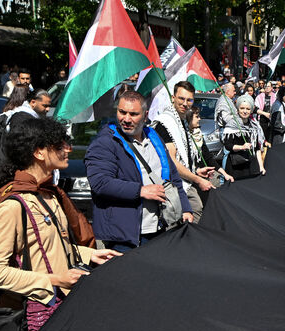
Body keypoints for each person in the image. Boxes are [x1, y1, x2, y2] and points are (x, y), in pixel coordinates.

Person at [0, 118, 119, 331]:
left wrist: (91, 254)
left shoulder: (50, 195)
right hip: (36, 317)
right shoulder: (13, 206)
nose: (68, 149)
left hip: (64, 309)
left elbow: (51, 247)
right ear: (39, 153)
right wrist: (54, 280)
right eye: (59, 145)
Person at [84, 91, 192, 252]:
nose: (126, 119)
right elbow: (100, 183)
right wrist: (140, 191)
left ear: (145, 114)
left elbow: (173, 177)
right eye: (122, 112)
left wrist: (185, 208)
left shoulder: (153, 136)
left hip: (159, 229)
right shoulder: (105, 143)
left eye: (133, 114)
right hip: (125, 237)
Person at [151, 81, 215, 222]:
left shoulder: (182, 121)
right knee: (193, 214)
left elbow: (183, 158)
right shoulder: (165, 122)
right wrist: (197, 179)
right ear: (173, 98)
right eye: (181, 98)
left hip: (185, 182)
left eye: (189, 100)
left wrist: (196, 171)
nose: (185, 103)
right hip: (174, 186)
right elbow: (172, 162)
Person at [223, 94, 270, 180]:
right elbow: (228, 145)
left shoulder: (254, 126)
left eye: (248, 109)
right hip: (236, 166)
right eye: (242, 108)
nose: (245, 111)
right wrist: (242, 147)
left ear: (251, 111)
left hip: (251, 164)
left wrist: (261, 166)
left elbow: (257, 148)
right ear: (237, 109)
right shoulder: (232, 124)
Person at [189, 106, 233, 188]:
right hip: (190, 180)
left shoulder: (198, 135)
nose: (199, 119)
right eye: (196, 117)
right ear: (189, 118)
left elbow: (208, 158)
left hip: (202, 177)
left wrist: (225, 174)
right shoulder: (186, 138)